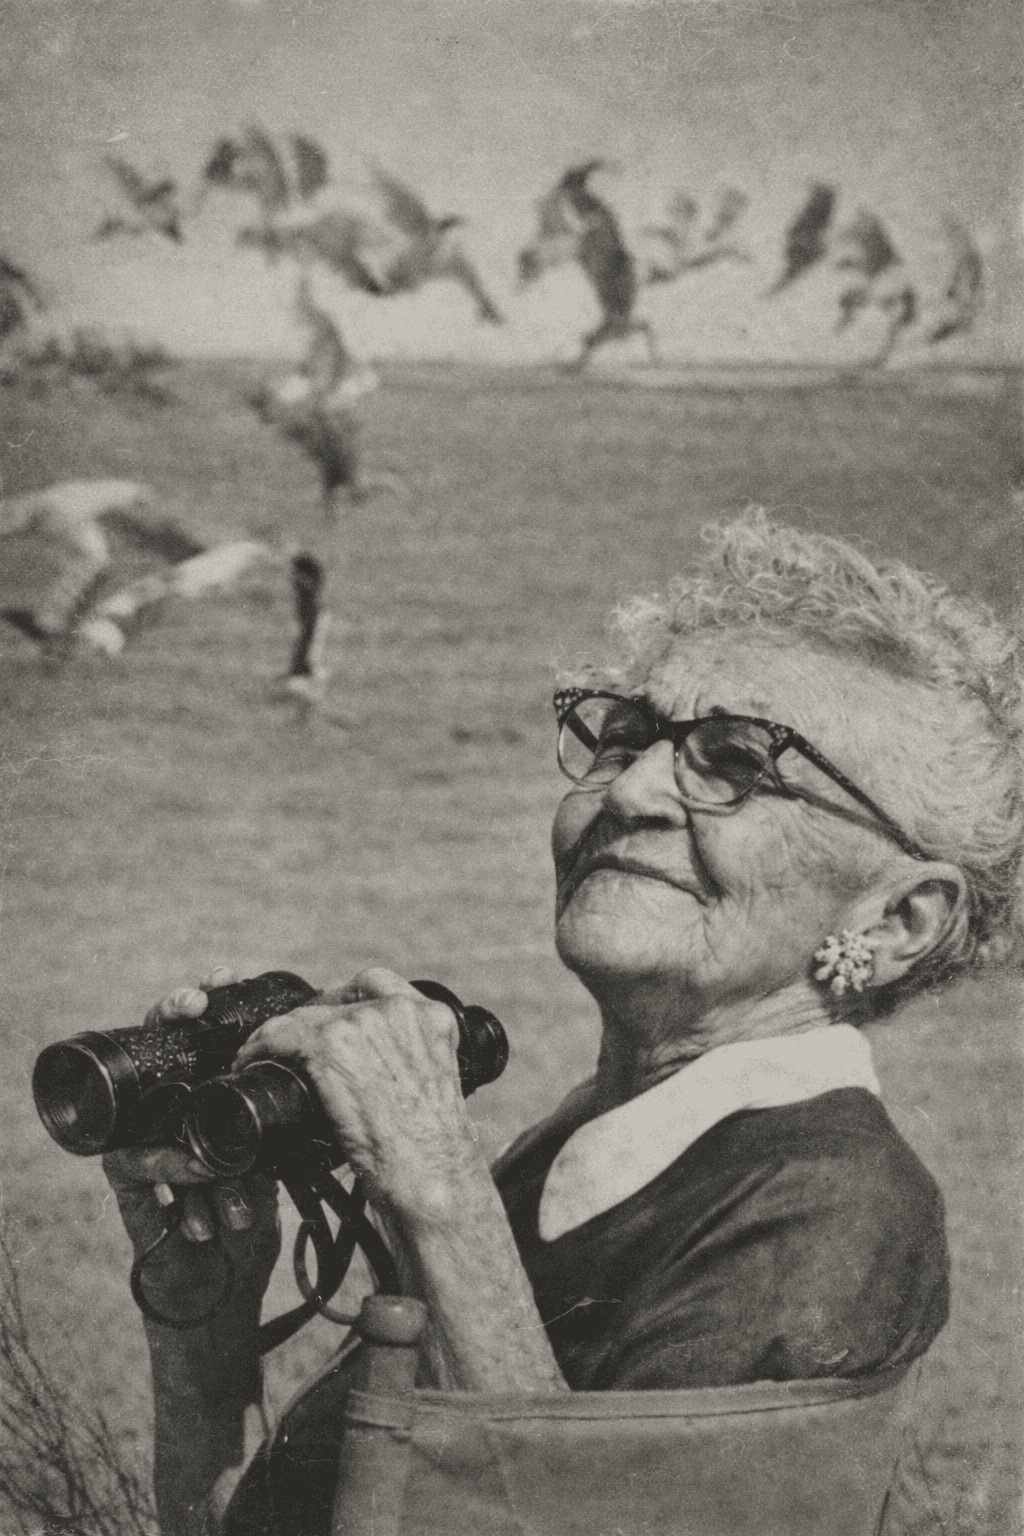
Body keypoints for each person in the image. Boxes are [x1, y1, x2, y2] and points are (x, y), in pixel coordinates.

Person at [102, 511, 1021, 1536]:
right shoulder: (590, 1150)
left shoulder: (833, 1209)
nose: (628, 788)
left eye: (737, 764)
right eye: (627, 734)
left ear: (898, 917)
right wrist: (206, 1318)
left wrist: (434, 1185)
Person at [247, 276, 401, 705]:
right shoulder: (333, 422)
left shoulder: (315, 420)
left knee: (308, 596)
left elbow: (335, 472)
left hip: (302, 519)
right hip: (316, 523)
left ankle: (301, 668)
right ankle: (304, 673)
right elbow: (347, 483)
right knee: (317, 599)